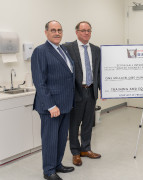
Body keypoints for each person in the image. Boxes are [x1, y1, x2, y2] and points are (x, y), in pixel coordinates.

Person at [31, 20, 75, 180]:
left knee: (62, 138)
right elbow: (39, 81)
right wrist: (50, 105)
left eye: (59, 30)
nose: (57, 33)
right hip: (51, 107)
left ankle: (57, 164)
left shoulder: (62, 49)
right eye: (53, 30)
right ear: (46, 32)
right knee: (50, 139)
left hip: (65, 104)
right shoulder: (40, 51)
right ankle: (48, 170)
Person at [63, 21, 101, 166]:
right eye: (83, 30)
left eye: (89, 30)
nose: (86, 33)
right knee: (74, 124)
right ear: (77, 32)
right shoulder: (67, 48)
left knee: (88, 123)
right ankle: (75, 152)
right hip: (76, 92)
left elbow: (98, 71)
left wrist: (102, 89)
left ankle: (86, 149)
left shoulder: (96, 50)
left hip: (91, 91)